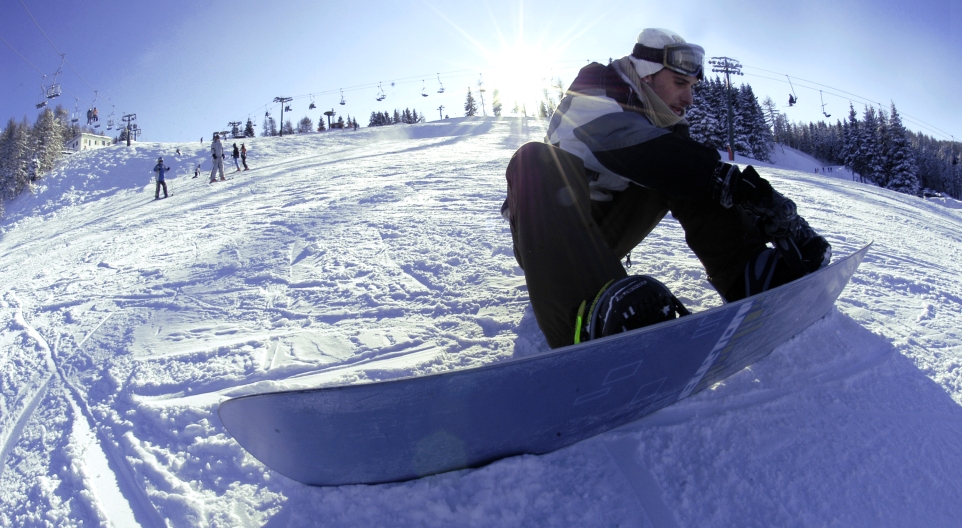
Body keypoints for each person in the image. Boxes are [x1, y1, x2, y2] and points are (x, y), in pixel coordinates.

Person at [502, 28, 831, 349]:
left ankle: (750, 272)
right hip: (546, 242)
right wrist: (723, 179)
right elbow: (626, 141)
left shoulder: (662, 126)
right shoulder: (594, 90)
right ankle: (586, 322)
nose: (689, 98)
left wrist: (754, 205)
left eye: (692, 86)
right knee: (534, 159)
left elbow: (685, 167)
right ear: (646, 76)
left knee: (689, 172)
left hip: (603, 235)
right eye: (679, 83)